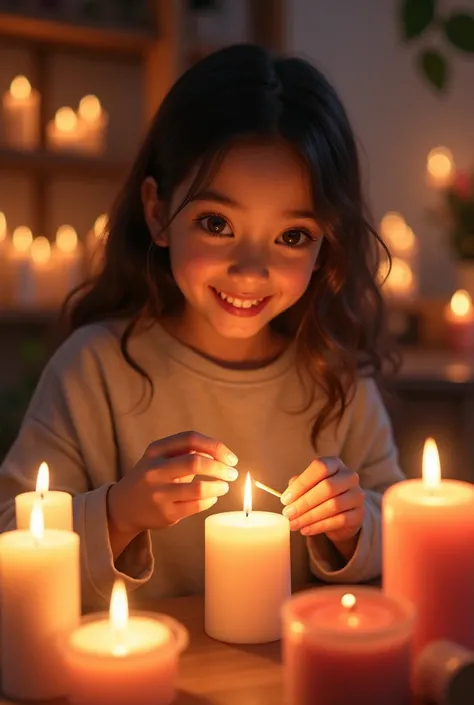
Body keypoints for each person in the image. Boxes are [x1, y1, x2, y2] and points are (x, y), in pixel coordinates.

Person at [0, 44, 403, 609]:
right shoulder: (94, 368)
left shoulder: (336, 377)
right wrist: (120, 512)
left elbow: (406, 528)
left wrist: (353, 526)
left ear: (326, 245)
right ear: (159, 212)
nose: (250, 269)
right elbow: (10, 543)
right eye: (217, 223)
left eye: (292, 236)